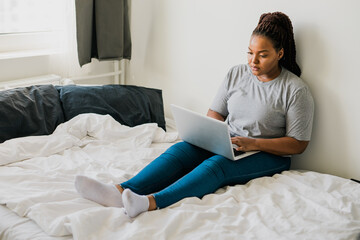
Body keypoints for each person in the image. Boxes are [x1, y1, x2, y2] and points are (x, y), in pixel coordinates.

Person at [75, 12, 314, 218]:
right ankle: (119, 191)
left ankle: (149, 202)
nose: (253, 61)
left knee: (216, 166)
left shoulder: (295, 89)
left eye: (262, 55)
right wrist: (212, 133)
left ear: (280, 53)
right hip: (231, 141)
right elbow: (216, 112)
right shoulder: (237, 74)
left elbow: (298, 144)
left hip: (267, 153)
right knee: (181, 150)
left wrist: (252, 143)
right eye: (250, 52)